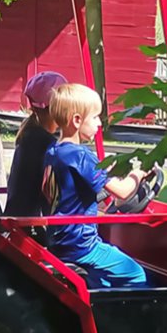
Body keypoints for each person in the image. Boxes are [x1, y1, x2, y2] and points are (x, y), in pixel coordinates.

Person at [41, 83, 149, 288]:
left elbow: (77, 191)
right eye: (95, 117)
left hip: (59, 241)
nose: (99, 123)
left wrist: (107, 172)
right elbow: (123, 192)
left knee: (104, 281)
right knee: (136, 274)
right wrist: (138, 173)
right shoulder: (81, 156)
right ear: (76, 120)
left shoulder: (53, 152)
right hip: (82, 245)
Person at [4, 70, 65, 217]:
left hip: (16, 220)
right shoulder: (47, 145)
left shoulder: (28, 135)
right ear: (56, 108)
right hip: (31, 224)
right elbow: (54, 199)